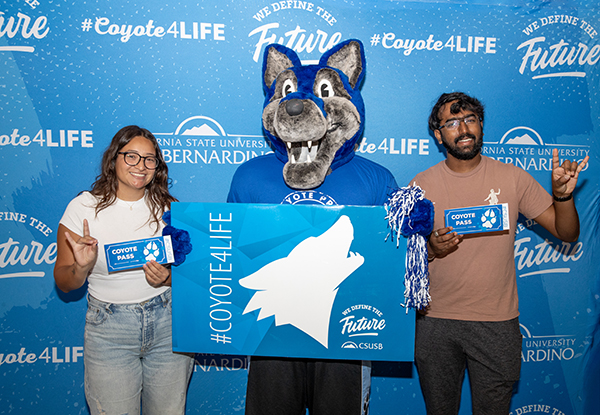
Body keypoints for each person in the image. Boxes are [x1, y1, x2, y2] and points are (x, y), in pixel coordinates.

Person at [411, 92, 589, 415]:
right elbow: (403, 261)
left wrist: (563, 197)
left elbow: (567, 233)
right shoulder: (420, 186)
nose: (463, 129)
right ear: (438, 134)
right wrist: (430, 249)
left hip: (497, 325)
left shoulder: (513, 178)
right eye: (451, 122)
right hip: (435, 323)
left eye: (470, 120)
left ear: (481, 126)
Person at [54, 125, 194, 415]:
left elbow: (194, 276)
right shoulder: (83, 208)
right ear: (113, 159)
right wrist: (82, 268)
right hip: (109, 331)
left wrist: (168, 279)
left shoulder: (171, 209)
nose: (141, 166)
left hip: (168, 325)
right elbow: (65, 283)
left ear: (157, 167)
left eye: (149, 159)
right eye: (131, 156)